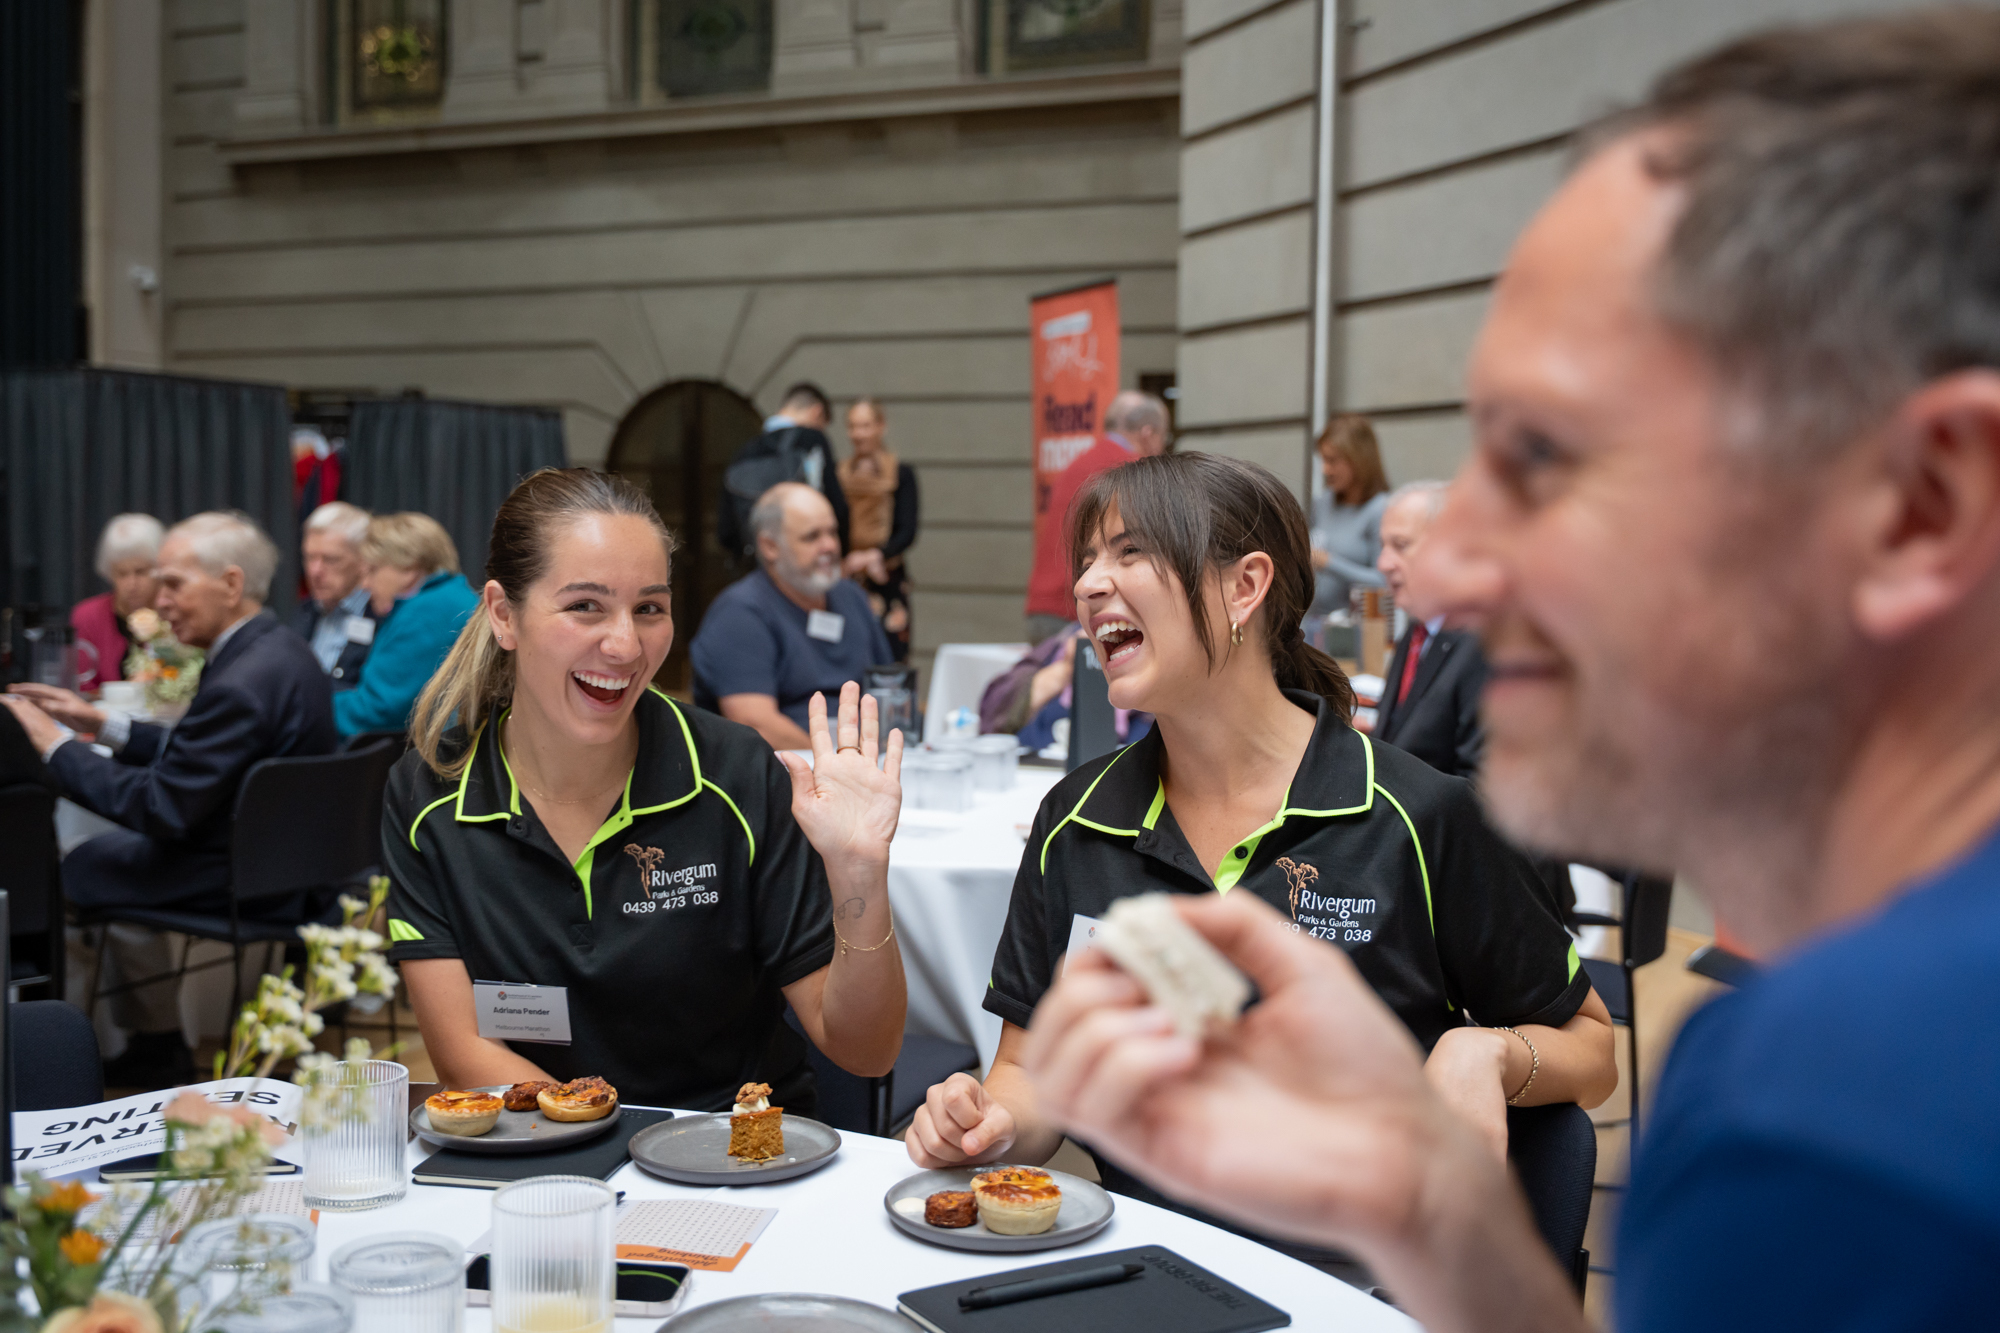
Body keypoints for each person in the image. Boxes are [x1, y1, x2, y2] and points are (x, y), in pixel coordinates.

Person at [1019, 13, 2000, 1332]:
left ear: (1921, 506)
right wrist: (1423, 1211)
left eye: (1545, 453)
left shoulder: (1845, 1119)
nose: (1453, 563)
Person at [908, 452, 1613, 1273]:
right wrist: (986, 1120)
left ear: (1245, 587)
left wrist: (1483, 1051)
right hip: (1145, 1269)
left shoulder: (1413, 815)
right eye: (1088, 561)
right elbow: (1030, 1072)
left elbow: (1590, 1048)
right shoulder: (1076, 819)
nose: (1091, 585)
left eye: (1131, 551)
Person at [383, 467, 907, 1113]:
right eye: (585, 606)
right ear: (503, 614)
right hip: (542, 1159)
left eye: (649, 608)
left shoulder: (734, 773)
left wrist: (859, 873)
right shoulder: (431, 791)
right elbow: (462, 1049)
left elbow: (866, 1050)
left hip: (729, 1159)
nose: (626, 643)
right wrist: (609, 1145)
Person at [3, 511, 336, 1085]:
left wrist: (51, 743)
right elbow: (197, 756)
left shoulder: (240, 680)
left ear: (231, 585)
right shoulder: (279, 651)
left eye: (173, 583)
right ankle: (152, 1041)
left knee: (68, 867)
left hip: (238, 879)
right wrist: (98, 723)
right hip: (285, 869)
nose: (159, 601)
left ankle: (61, 1064)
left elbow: (160, 807)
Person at [691, 483, 893, 751]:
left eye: (833, 532)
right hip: (789, 772)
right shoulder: (739, 613)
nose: (830, 545)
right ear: (770, 547)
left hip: (869, 757)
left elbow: (890, 686)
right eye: (812, 537)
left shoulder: (851, 596)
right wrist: (835, 763)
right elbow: (755, 723)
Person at [1023, 390, 1170, 645]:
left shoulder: (1076, 465)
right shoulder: (1132, 474)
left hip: (1043, 611)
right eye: (1164, 438)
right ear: (1149, 434)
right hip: (1080, 616)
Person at [1371, 481, 1484, 777]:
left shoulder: (1483, 642)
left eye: (1400, 545)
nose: (1382, 563)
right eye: (1382, 546)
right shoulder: (1418, 629)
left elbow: (1480, 786)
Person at [333, 512, 479, 738]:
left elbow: (378, 710)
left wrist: (310, 707)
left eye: (372, 570)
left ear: (409, 566)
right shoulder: (451, 596)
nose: (364, 585)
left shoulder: (427, 612)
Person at [716, 382, 851, 566]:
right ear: (817, 412)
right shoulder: (812, 440)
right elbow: (836, 507)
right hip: (805, 568)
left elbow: (725, 531)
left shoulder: (743, 452)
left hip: (759, 571)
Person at [837, 398, 919, 661]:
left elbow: (907, 530)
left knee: (890, 654)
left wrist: (875, 555)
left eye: (865, 426)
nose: (858, 434)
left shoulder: (900, 473)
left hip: (885, 575)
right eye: (853, 427)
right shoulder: (839, 474)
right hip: (846, 575)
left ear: (880, 426)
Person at [68, 513, 164, 694]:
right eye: (122, 574)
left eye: (141, 572)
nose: (132, 584)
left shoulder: (173, 612)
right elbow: (82, 687)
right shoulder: (87, 616)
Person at [1307, 414, 1391, 620]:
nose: (1325, 470)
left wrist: (1328, 563)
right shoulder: (1323, 503)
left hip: (1357, 633)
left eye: (1332, 460)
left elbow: (1385, 581)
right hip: (1312, 625)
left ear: (1359, 460)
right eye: (1323, 460)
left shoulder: (1380, 509)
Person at [292, 501, 378, 689]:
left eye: (330, 560)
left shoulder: (383, 614)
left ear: (363, 560)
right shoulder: (305, 612)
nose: (315, 571)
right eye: (309, 557)